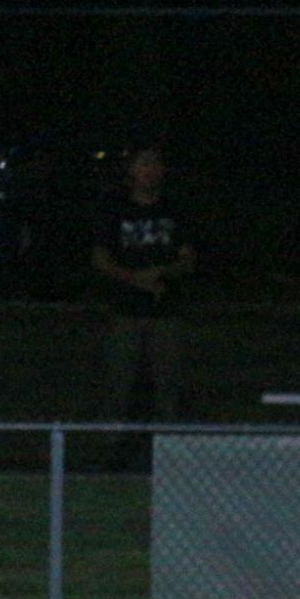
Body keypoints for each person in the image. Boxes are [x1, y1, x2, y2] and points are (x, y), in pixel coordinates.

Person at [92, 145, 195, 420]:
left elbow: (187, 259)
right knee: (118, 384)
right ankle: (110, 447)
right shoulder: (114, 209)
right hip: (125, 310)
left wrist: (161, 273)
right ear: (131, 171)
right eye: (143, 164)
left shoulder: (174, 208)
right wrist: (135, 280)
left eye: (155, 164)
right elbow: (101, 258)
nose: (150, 171)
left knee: (169, 384)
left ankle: (169, 450)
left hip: (166, 310)